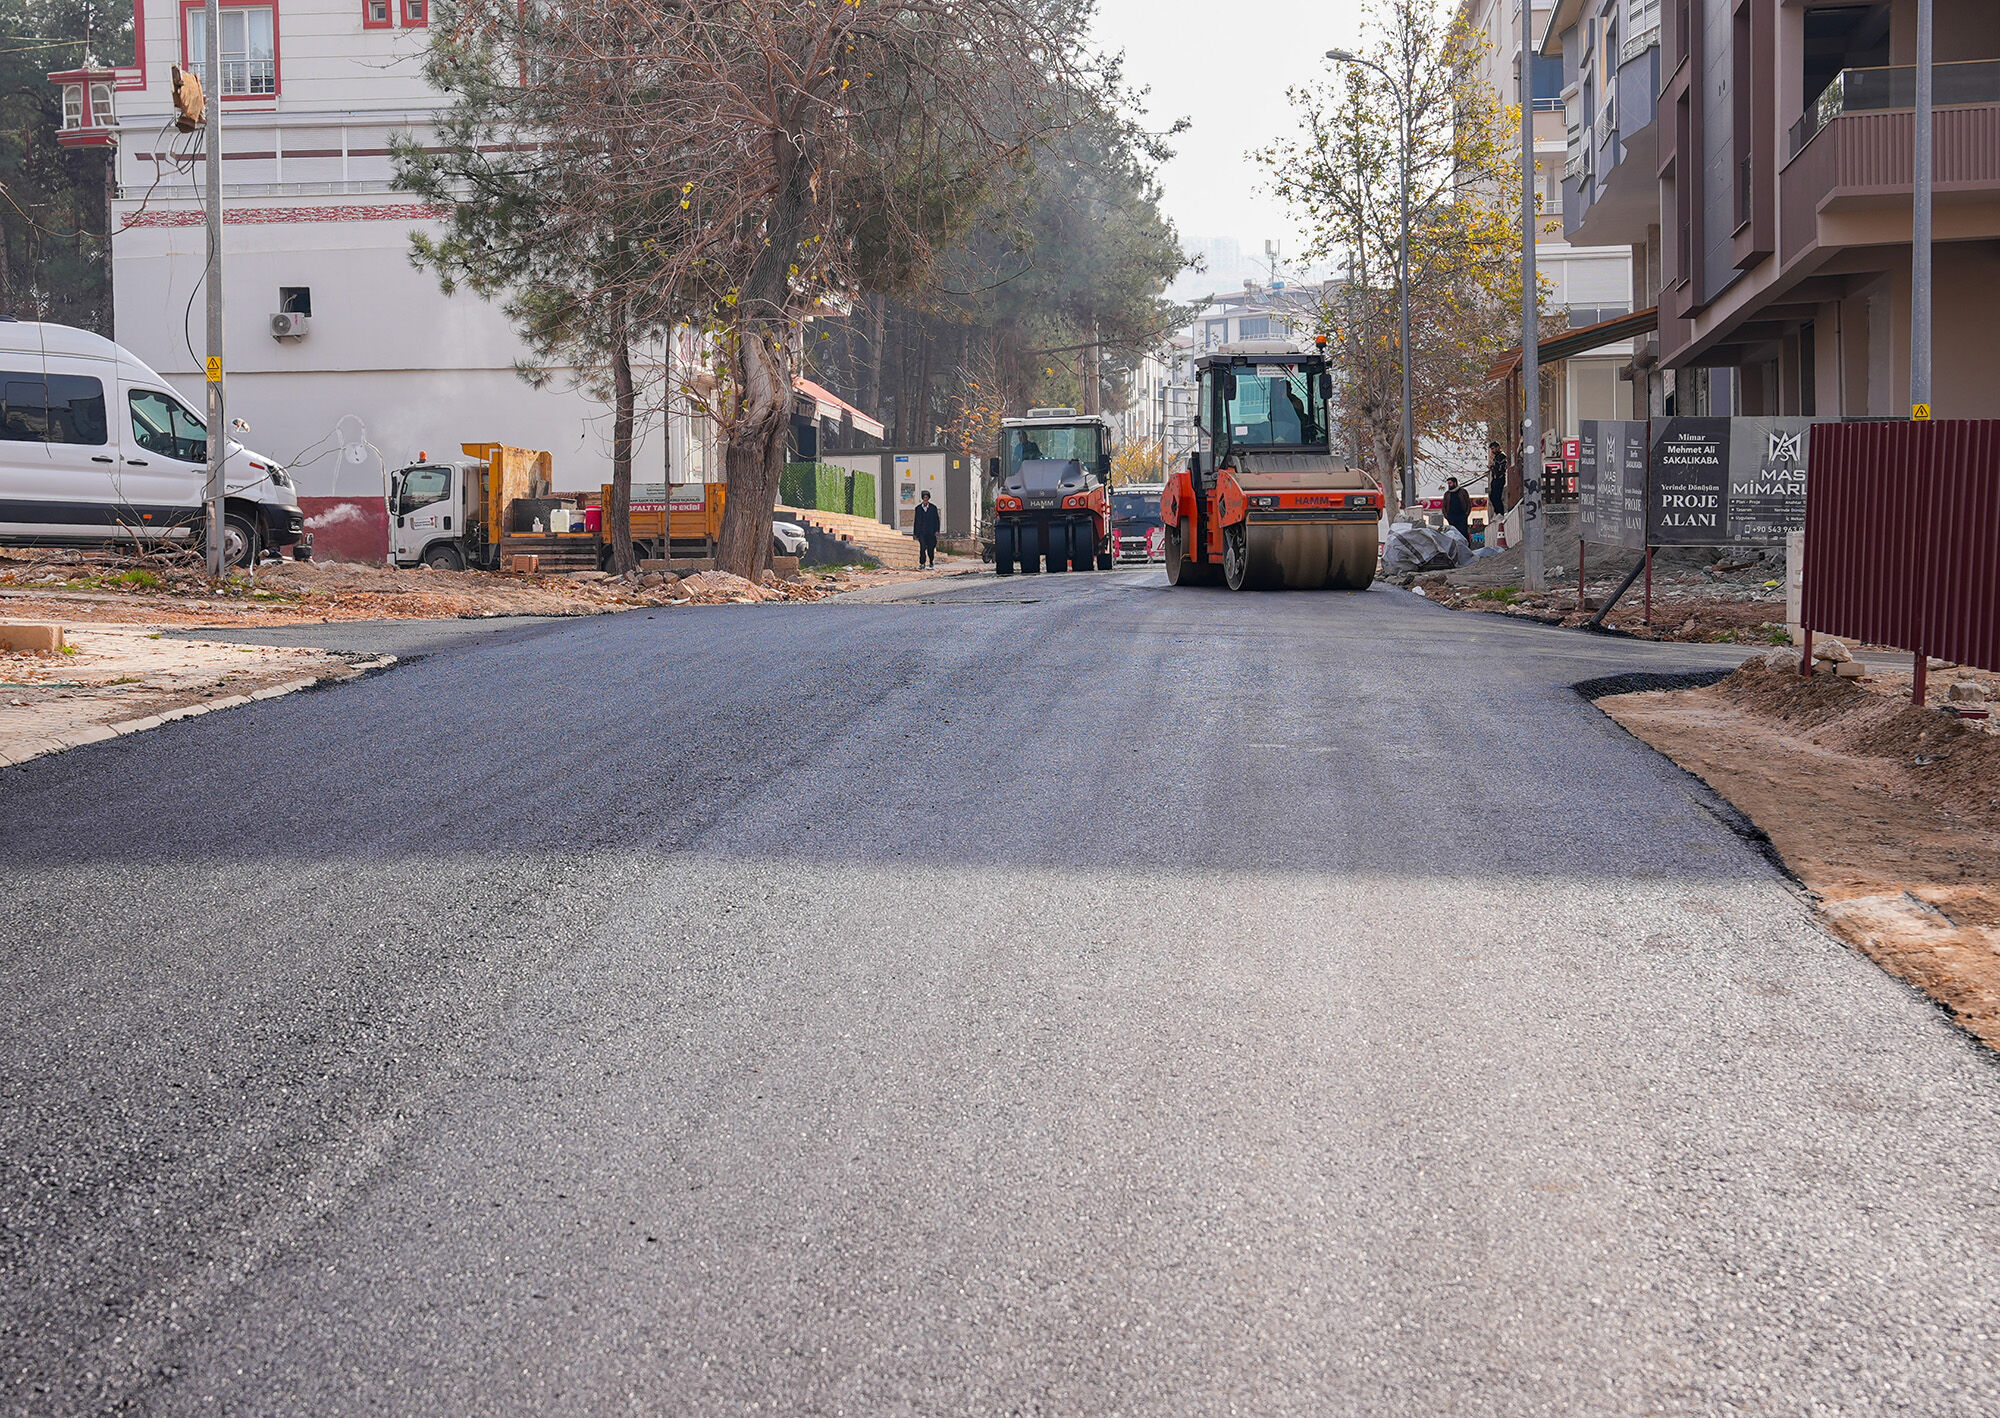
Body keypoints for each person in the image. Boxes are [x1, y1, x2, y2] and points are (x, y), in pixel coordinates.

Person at [912, 489, 940, 568]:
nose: (925, 499)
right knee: (922, 547)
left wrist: (937, 530)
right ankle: (922, 562)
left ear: (928, 498)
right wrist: (915, 532)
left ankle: (931, 560)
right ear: (922, 498)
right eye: (924, 497)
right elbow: (916, 521)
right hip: (922, 532)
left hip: (931, 532)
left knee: (930, 548)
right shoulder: (918, 508)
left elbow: (936, 520)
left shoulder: (933, 508)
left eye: (927, 497)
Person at [1443, 476, 1473, 546]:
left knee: (1463, 533)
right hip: (1451, 517)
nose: (1449, 485)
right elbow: (1444, 506)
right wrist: (1447, 516)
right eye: (1448, 483)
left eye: (1450, 483)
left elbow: (1468, 504)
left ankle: (1466, 547)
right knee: (1453, 535)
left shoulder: (1463, 492)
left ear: (1455, 483)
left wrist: (1466, 514)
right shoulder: (1447, 494)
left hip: (1461, 516)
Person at [1486, 440, 1509, 516]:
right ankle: (1497, 512)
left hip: (1499, 478)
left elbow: (1499, 468)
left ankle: (1500, 512)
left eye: (1493, 448)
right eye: (1491, 449)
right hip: (1495, 478)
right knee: (1493, 496)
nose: (1492, 451)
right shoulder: (1497, 457)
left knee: (1496, 496)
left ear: (1498, 447)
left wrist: (1492, 467)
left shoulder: (1501, 456)